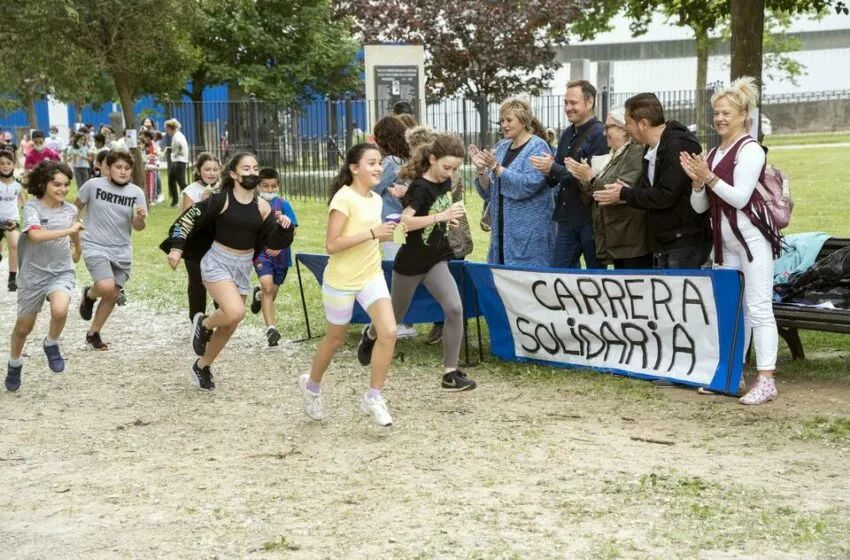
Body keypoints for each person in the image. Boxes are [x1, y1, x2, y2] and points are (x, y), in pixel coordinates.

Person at [681, 77, 783, 405]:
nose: (720, 119)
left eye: (726, 113)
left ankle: (766, 379)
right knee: (733, 311)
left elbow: (740, 197)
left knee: (758, 307)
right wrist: (698, 184)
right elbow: (700, 207)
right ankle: (732, 375)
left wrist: (709, 177)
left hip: (752, 239)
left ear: (743, 116)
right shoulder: (714, 152)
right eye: (717, 113)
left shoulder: (750, 150)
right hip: (725, 244)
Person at [163, 153, 294, 390]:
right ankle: (203, 324)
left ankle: (202, 366)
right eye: (246, 168)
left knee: (230, 324)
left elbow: (273, 243)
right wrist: (176, 248)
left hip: (242, 266)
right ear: (233, 174)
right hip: (217, 261)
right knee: (235, 311)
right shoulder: (220, 199)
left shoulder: (263, 207)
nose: (252, 173)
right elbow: (187, 219)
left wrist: (284, 228)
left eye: (255, 168)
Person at [359, 134, 476, 392]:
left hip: (436, 259)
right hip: (411, 263)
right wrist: (440, 216)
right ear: (432, 159)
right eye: (447, 167)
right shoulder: (420, 187)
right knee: (395, 318)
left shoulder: (445, 182)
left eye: (455, 169)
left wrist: (447, 220)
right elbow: (405, 223)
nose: (450, 173)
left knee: (455, 309)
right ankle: (370, 334)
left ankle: (450, 373)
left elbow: (435, 212)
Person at [297, 143, 399, 426]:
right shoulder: (343, 198)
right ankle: (311, 386)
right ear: (354, 168)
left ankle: (373, 397)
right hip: (341, 281)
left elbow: (372, 236)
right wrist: (372, 233)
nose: (378, 168)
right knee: (335, 341)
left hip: (371, 276)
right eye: (371, 163)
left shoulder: (376, 199)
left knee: (389, 331)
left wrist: (384, 234)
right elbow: (332, 245)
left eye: (379, 162)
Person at [593, 92, 712, 269]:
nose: (626, 129)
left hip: (683, 243)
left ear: (643, 124)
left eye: (628, 123)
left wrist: (625, 194)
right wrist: (628, 193)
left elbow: (666, 195)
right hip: (663, 241)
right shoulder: (650, 149)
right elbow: (650, 189)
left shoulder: (678, 146)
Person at [5, 160, 82, 392]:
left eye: (66, 185)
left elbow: (75, 229)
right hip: (33, 275)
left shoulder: (71, 210)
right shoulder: (32, 207)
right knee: (23, 329)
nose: (63, 189)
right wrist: (69, 231)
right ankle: (14, 363)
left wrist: (78, 249)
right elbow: (36, 236)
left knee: (60, 310)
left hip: (61, 270)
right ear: (43, 183)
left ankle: (51, 343)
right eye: (56, 184)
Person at [75, 151, 148, 350]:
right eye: (118, 167)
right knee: (106, 286)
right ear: (108, 168)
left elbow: (138, 227)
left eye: (127, 168)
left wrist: (140, 218)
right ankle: (90, 294)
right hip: (95, 244)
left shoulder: (136, 193)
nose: (123, 171)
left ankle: (93, 334)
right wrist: (74, 227)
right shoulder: (93, 185)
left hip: (122, 249)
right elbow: (75, 207)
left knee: (113, 294)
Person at [530, 80, 608, 269]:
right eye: (566, 103)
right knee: (559, 273)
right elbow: (555, 177)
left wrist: (553, 168)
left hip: (590, 219)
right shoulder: (567, 133)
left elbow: (587, 179)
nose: (567, 108)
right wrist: (546, 168)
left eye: (573, 103)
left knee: (595, 275)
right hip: (566, 218)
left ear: (589, 102)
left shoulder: (600, 134)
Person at [470, 98, 555, 267]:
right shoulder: (502, 147)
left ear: (523, 120)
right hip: (502, 234)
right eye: (502, 120)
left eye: (509, 120)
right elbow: (489, 192)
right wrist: (481, 170)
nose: (504, 125)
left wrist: (496, 168)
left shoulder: (538, 147)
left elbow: (527, 185)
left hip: (530, 236)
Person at [568, 107, 651, 269]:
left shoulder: (636, 151)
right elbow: (592, 196)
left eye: (608, 127)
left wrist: (590, 176)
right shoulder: (611, 157)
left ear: (624, 130)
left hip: (630, 240)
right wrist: (584, 178)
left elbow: (619, 189)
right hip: (616, 239)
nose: (604, 133)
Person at [371, 115, 418, 340]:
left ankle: (398, 321)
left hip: (392, 223)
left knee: (395, 272)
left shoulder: (389, 162)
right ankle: (403, 320)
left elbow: (372, 187)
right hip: (404, 221)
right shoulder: (406, 159)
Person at [249, 167, 299, 346]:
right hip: (261, 254)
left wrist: (280, 245)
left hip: (281, 257)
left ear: (278, 186)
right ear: (258, 186)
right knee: (268, 287)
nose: (269, 190)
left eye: (273, 186)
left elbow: (294, 230)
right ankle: (271, 329)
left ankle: (258, 296)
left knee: (270, 293)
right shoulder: (253, 205)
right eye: (265, 186)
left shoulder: (284, 205)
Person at [179, 153, 221, 323]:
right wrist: (203, 203)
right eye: (207, 169)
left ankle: (223, 317)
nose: (211, 173)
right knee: (197, 283)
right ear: (199, 170)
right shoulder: (191, 190)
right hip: (196, 245)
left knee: (221, 281)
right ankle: (197, 321)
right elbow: (185, 220)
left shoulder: (225, 189)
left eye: (215, 169)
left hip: (219, 244)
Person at [0, 150, 25, 290]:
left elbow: (22, 201)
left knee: (14, 245)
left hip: (11, 220)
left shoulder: (18, 184)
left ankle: (12, 278)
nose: (5, 166)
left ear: (13, 165)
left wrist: (26, 211)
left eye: (8, 163)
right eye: (2, 163)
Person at [164, 119, 189, 207]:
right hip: (177, 161)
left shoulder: (177, 136)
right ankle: (175, 202)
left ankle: (191, 197)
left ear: (170, 128)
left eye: (167, 129)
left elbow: (180, 145)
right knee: (172, 181)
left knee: (181, 183)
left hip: (179, 162)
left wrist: (177, 153)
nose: (166, 131)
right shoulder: (178, 135)